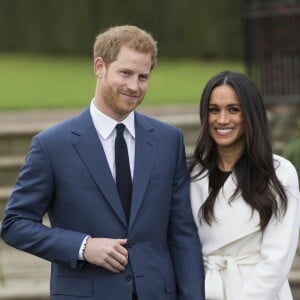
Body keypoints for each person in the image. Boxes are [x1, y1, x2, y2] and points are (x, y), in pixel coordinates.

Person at [1, 25, 205, 300]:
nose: (135, 86)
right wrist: (83, 246)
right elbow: (15, 224)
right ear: (100, 67)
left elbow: (183, 234)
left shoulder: (169, 141)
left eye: (143, 77)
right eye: (126, 73)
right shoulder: (52, 146)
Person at [188, 70, 300, 300]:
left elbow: (277, 260)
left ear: (250, 114)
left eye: (233, 109)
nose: (222, 120)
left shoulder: (279, 173)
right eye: (213, 110)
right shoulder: (190, 173)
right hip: (203, 290)